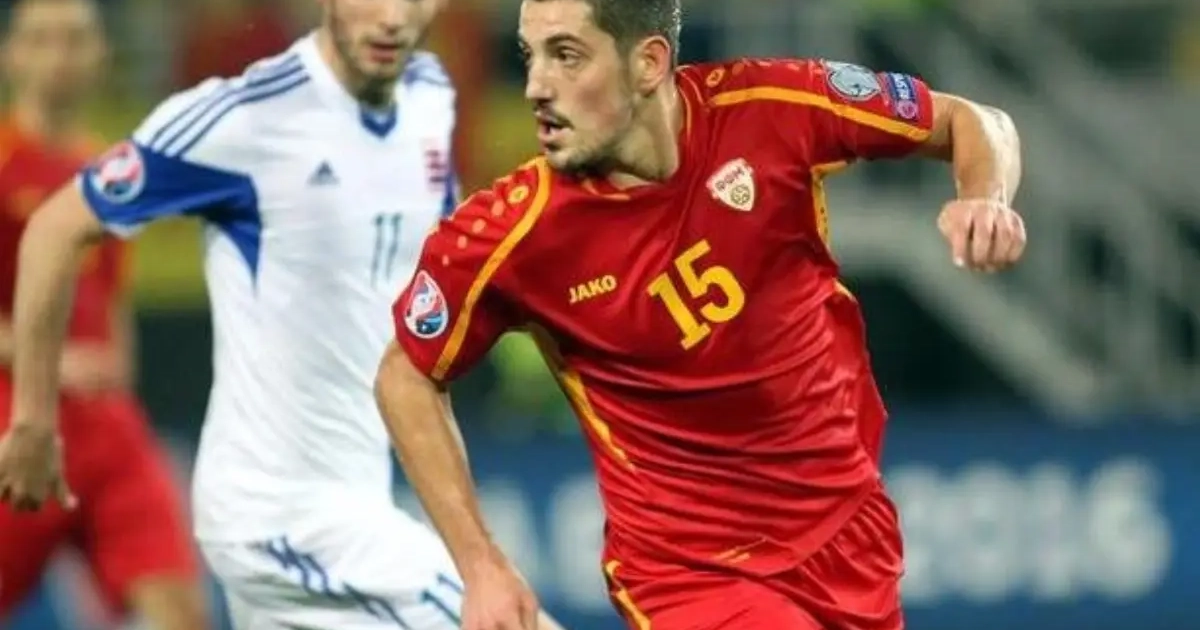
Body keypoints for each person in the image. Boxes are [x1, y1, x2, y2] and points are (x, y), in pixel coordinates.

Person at [375, 0, 1027, 629]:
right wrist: (481, 565)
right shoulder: (512, 231)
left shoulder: (771, 109)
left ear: (648, 62)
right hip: (691, 574)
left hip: (849, 529)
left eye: (566, 55)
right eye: (530, 55)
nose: (536, 87)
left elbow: (974, 121)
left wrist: (986, 198)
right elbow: (404, 375)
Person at [0, 0, 569, 628]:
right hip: (281, 513)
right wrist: (33, 418)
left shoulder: (431, 97)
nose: (390, 18)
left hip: (358, 493)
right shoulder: (246, 117)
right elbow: (54, 228)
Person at [0, 1, 207, 628]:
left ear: (100, 57)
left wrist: (121, 383)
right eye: (42, 40)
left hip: (105, 423)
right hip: (15, 411)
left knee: (179, 608)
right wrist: (50, 363)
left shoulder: (110, 171)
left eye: (75, 40)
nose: (59, 57)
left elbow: (108, 301)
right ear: (11, 56)